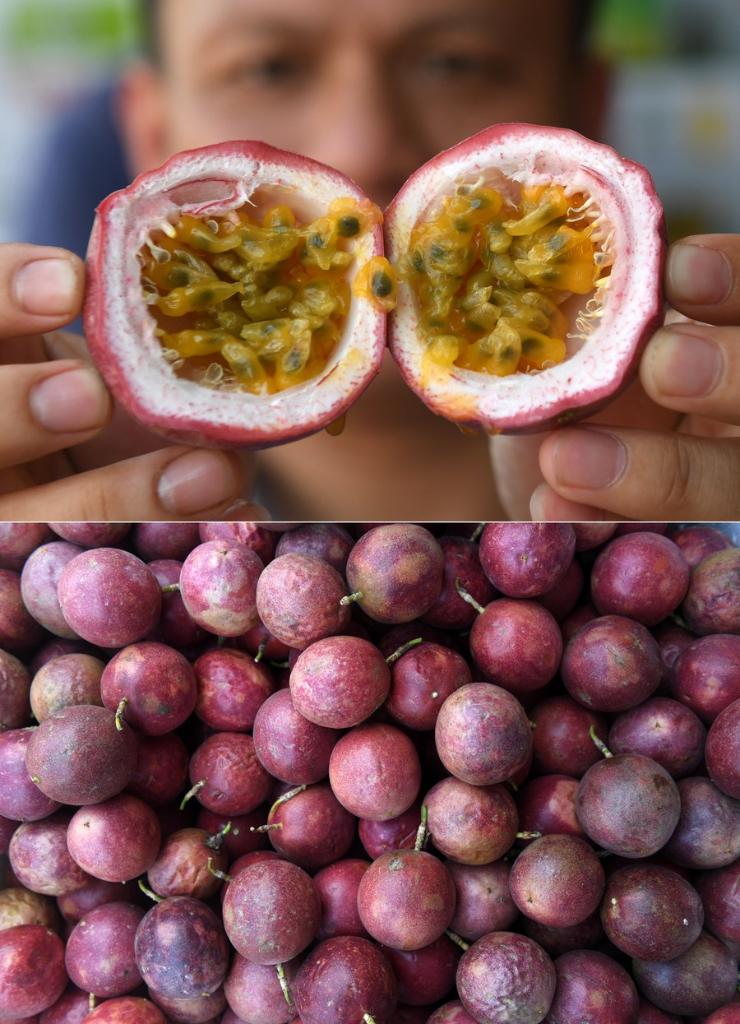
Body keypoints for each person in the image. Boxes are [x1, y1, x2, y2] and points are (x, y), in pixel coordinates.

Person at [2, 0, 738, 520]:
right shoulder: (63, 508)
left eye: (456, 62)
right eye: (269, 66)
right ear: (150, 128)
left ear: (587, 109)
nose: (360, 143)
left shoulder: (703, 515)